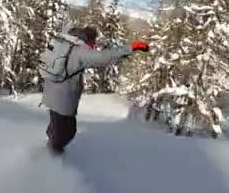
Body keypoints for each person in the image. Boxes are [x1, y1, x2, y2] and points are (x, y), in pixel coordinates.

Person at [40, 26, 149, 155]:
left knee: (57, 126)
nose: (92, 47)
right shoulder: (80, 50)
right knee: (66, 133)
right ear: (88, 40)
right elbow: (103, 57)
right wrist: (131, 47)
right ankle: (49, 160)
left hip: (50, 92)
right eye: (92, 44)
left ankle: (51, 145)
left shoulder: (63, 41)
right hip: (63, 100)